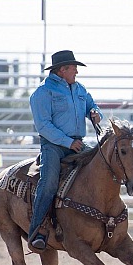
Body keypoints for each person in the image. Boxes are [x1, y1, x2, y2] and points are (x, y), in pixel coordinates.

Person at [28, 50, 103, 250]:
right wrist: (68, 142)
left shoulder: (79, 89)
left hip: (77, 143)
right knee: (49, 181)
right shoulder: (43, 93)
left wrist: (95, 112)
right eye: (73, 68)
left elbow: (91, 105)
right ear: (62, 70)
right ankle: (37, 230)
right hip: (54, 146)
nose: (76, 72)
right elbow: (43, 125)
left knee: (101, 168)